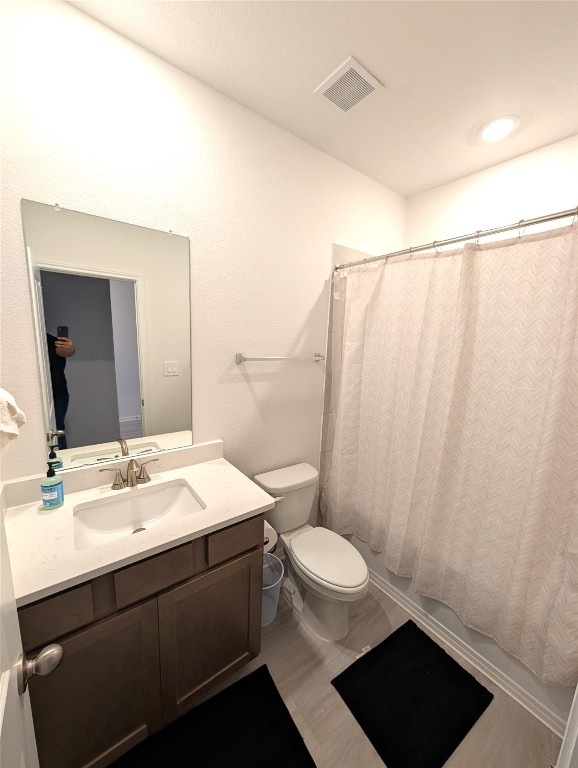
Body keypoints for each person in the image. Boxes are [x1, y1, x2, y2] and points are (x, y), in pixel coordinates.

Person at [46, 333, 75, 449]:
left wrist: (71, 349)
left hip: (59, 395)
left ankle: (61, 462)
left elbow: (70, 352)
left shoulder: (54, 342)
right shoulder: (31, 343)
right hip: (40, 396)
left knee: (58, 431)